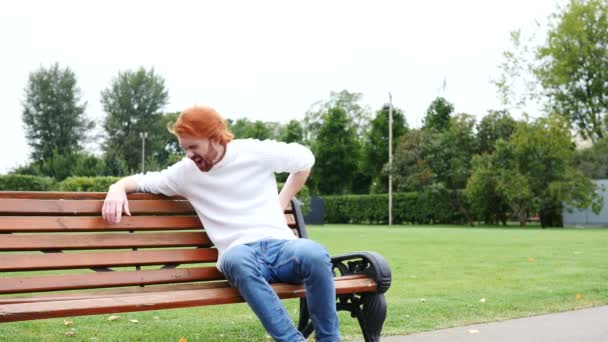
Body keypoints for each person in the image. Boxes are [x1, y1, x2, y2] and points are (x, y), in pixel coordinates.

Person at [101, 106, 340, 342]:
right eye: (185, 148)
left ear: (214, 137)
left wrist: (282, 200)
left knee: (314, 253)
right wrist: (117, 187)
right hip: (239, 254)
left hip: (281, 248)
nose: (189, 155)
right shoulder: (187, 172)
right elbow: (145, 180)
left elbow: (305, 160)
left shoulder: (254, 152)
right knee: (237, 260)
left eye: (193, 147)